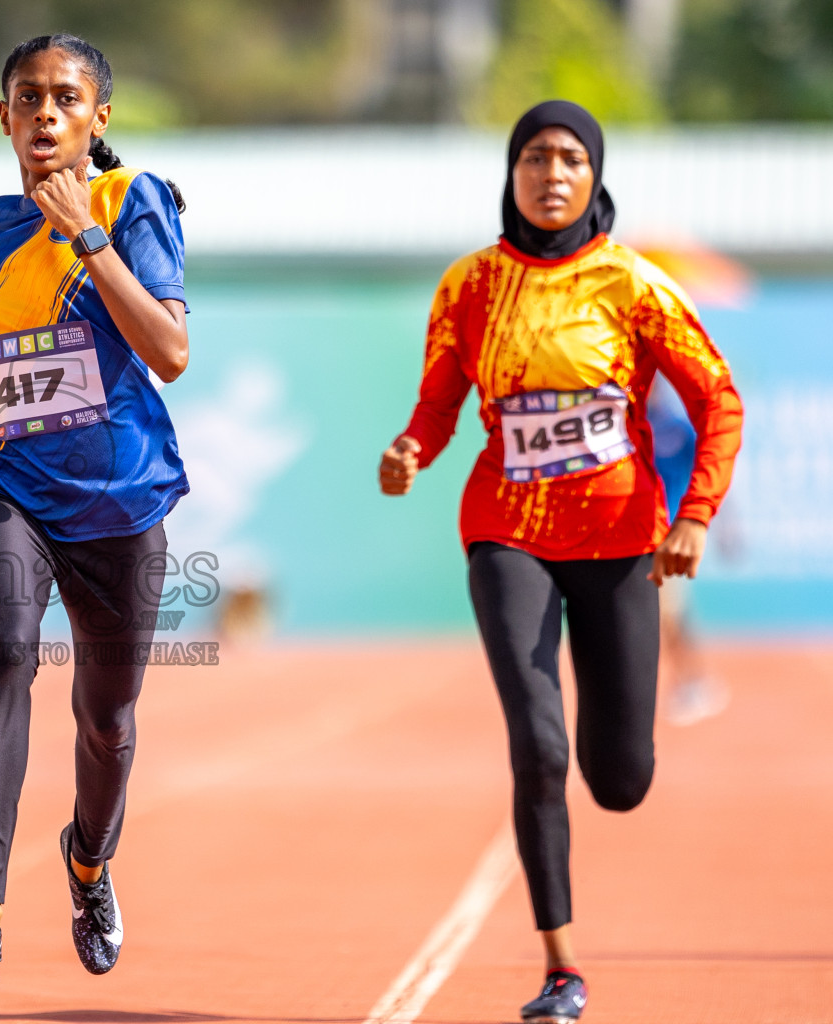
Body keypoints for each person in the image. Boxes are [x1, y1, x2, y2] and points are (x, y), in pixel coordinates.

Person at [378, 101, 742, 1024]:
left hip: (621, 539)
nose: (551, 174)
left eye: (570, 159)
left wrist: (694, 515)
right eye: (534, 157)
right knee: (538, 748)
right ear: (511, 172)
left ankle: (612, 762)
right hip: (506, 530)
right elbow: (437, 406)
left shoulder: (635, 286)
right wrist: (412, 450)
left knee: (619, 780)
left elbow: (720, 402)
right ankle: (561, 968)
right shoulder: (469, 287)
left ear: (594, 176)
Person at [0, 33, 189, 998]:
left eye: (67, 98)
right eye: (29, 97)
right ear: (5, 115)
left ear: (99, 117)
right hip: (4, 475)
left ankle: (89, 863)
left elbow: (168, 349)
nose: (47, 114)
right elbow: (4, 363)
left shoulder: (129, 200)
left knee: (107, 720)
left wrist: (90, 239)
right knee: (6, 651)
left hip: (118, 494)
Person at [648, 379, 728, 725]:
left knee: (669, 615)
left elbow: (709, 471)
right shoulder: (625, 427)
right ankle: (692, 682)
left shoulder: (676, 429)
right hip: (638, 535)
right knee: (666, 617)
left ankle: (693, 683)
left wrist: (715, 523)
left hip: (669, 535)